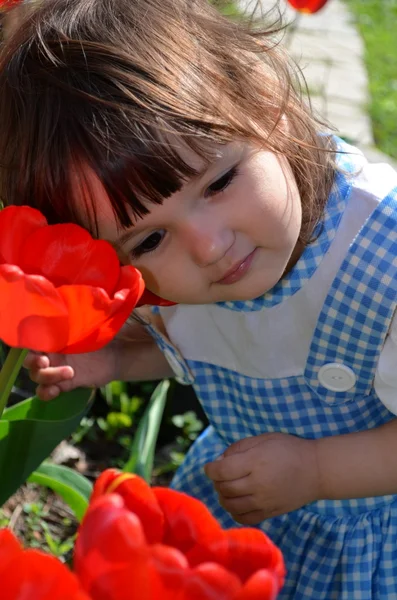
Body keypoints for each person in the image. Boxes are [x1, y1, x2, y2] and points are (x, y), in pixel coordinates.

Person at [1, 0, 397, 597]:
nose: (209, 247)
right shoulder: (217, 267)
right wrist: (115, 359)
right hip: (250, 492)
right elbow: (219, 342)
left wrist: (317, 472)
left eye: (218, 183)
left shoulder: (381, 260)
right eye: (151, 238)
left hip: (363, 532)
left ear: (269, 102)